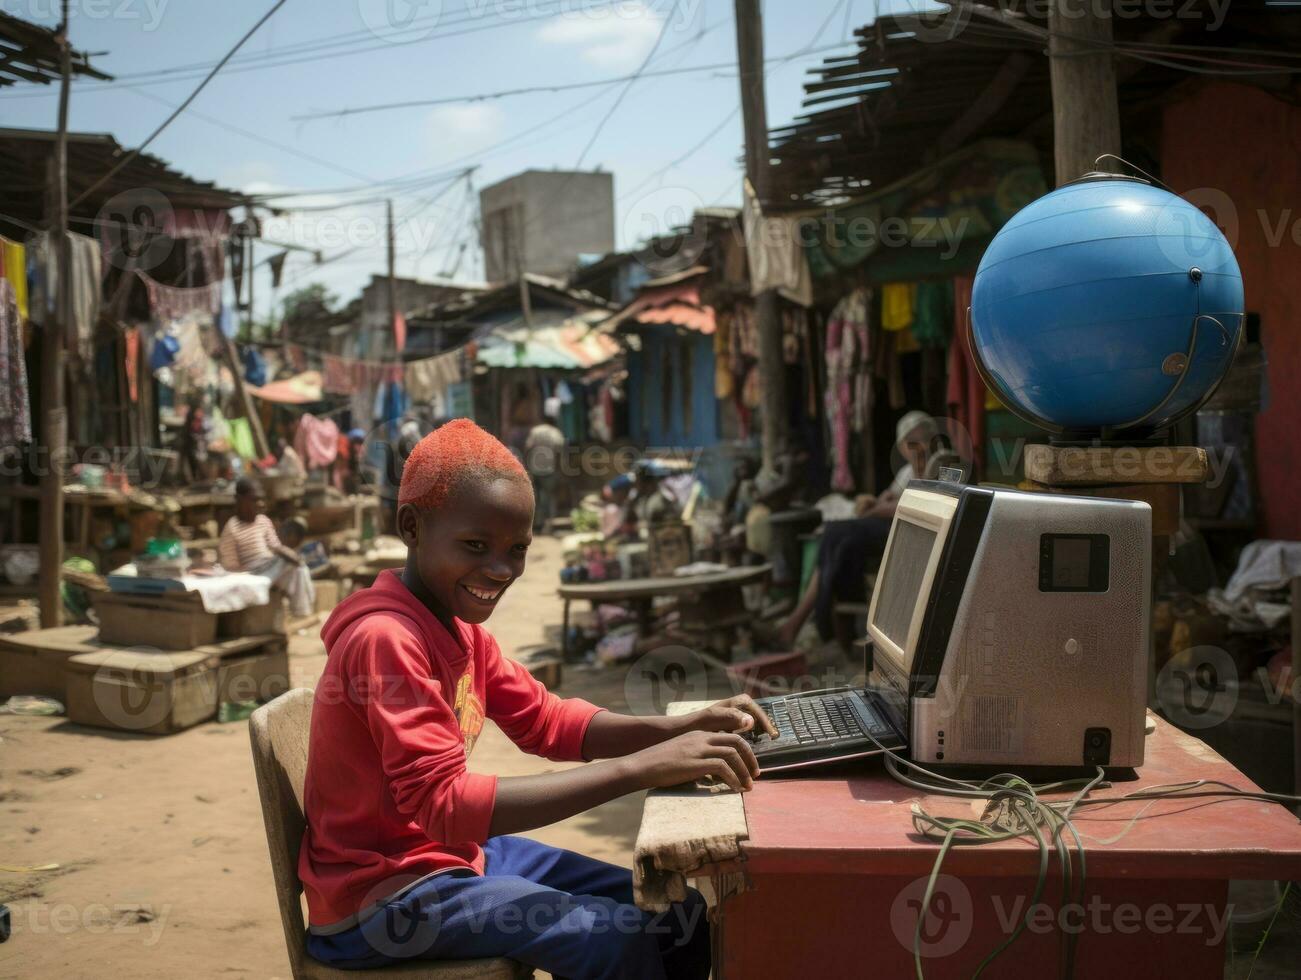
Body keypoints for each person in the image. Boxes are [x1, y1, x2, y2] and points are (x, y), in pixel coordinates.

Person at [300, 419, 776, 978]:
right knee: (613, 941)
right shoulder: (386, 639)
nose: (499, 570)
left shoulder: (460, 630)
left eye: (517, 549)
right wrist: (640, 769)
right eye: (475, 546)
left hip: (450, 860)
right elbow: (447, 807)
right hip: (381, 900)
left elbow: (549, 723)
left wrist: (682, 727)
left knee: (679, 913)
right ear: (412, 527)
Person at [769, 411, 942, 649]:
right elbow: (889, 499)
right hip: (893, 532)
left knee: (838, 536)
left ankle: (806, 623)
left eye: (923, 438)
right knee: (837, 543)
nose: (917, 446)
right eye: (910, 441)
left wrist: (877, 509)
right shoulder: (907, 473)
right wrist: (878, 502)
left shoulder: (941, 465)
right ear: (902, 448)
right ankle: (817, 625)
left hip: (912, 538)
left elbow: (920, 506)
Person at [217, 478, 315, 616]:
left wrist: (293, 557)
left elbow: (276, 546)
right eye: (254, 500)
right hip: (252, 571)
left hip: (270, 567)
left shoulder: (263, 521)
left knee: (300, 569)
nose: (260, 504)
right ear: (239, 500)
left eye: (261, 499)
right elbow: (230, 565)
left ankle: (302, 612)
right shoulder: (232, 527)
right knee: (286, 561)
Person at [524, 407, 566, 533]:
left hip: (534, 468)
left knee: (536, 498)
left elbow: (527, 448)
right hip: (549, 469)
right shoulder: (556, 433)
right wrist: (560, 469)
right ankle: (548, 525)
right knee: (550, 497)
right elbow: (559, 452)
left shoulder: (536, 431)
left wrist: (526, 466)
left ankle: (536, 524)